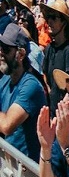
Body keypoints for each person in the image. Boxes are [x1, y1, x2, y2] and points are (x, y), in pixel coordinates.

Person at [0, 23, 44, 160]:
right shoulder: (5, 80)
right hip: (9, 163)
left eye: (6, 50)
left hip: (27, 172)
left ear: (21, 54)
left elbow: (7, 125)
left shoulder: (31, 86)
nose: (1, 53)